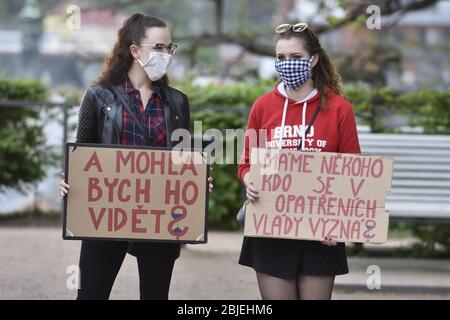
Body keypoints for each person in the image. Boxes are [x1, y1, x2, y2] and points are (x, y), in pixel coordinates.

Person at [60, 13, 213, 300]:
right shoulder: (98, 96)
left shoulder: (177, 101)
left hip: (158, 216)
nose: (166, 54)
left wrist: (197, 179)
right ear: (134, 50)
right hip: (106, 214)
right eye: (158, 48)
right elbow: (82, 154)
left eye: (170, 48)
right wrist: (68, 180)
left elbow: (179, 160)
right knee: (91, 294)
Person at [238, 22, 361, 300]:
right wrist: (249, 181)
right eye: (281, 58)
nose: (287, 64)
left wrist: (338, 222)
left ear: (313, 59)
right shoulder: (262, 106)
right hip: (271, 226)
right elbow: (246, 162)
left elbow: (353, 169)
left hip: (321, 230)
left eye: (295, 58)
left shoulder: (339, 108)